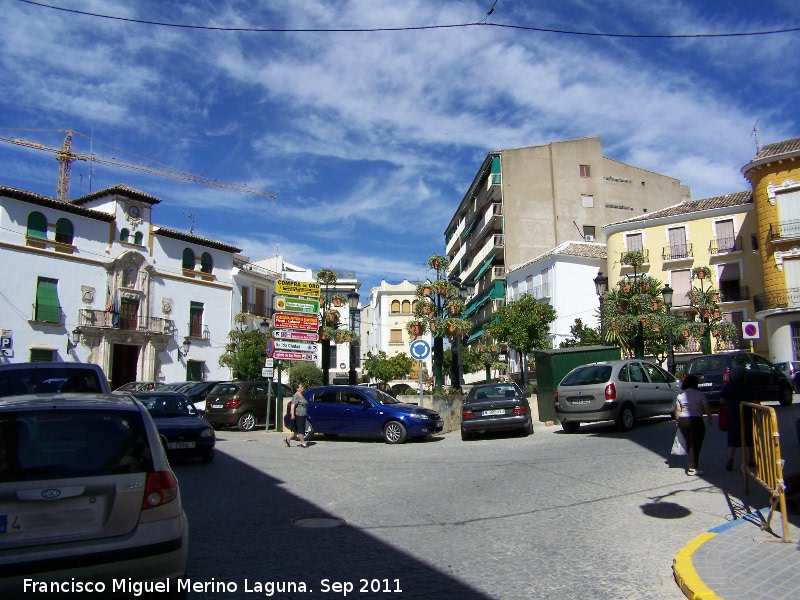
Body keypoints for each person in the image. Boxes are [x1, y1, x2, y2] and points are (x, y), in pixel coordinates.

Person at [719, 368, 758, 471]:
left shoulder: (728, 386)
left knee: (733, 437)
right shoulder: (748, 386)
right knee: (749, 437)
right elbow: (754, 400)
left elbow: (722, 400)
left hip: (733, 414)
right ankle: (750, 460)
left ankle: (731, 457)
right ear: (744, 376)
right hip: (747, 414)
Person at [675, 374, 713, 476]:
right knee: (696, 443)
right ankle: (692, 467)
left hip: (683, 420)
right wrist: (709, 417)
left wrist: (678, 421)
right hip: (695, 420)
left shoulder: (681, 395)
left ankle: (694, 464)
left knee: (689, 442)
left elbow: (678, 409)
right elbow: (706, 406)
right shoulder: (700, 394)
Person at [284, 381, 308, 448]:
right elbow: (293, 405)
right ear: (297, 388)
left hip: (303, 415)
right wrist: (292, 415)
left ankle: (287, 439)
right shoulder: (296, 395)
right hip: (298, 415)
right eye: (301, 386)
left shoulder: (301, 395)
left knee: (297, 431)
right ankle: (303, 443)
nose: (302, 387)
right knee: (300, 430)